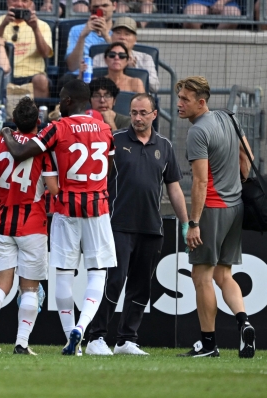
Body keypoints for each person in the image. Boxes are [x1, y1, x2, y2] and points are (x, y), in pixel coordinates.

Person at [0, 79, 116, 356]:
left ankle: (69, 339)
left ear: (66, 101)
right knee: (97, 274)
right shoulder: (105, 129)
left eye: (61, 98)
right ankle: (82, 327)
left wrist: (6, 132)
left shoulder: (57, 128)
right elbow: (109, 171)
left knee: (63, 276)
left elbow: (18, 151)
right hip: (97, 208)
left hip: (66, 209)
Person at [85, 94, 188, 356]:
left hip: (152, 228)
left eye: (143, 113)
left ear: (155, 114)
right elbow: (97, 179)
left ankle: (126, 339)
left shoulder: (164, 146)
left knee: (142, 285)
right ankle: (96, 337)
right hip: (117, 225)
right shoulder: (115, 141)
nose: (138, 118)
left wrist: (187, 224)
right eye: (133, 113)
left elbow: (174, 189)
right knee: (114, 281)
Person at [176, 76, 255, 358]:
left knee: (201, 276)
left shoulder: (198, 132)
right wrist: (235, 183)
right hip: (236, 208)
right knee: (224, 274)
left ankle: (209, 345)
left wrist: (193, 223)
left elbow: (199, 183)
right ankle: (244, 322)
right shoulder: (230, 118)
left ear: (201, 102)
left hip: (211, 209)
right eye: (179, 98)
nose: (179, 104)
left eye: (185, 99)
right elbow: (248, 160)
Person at [0, 97, 59, 355]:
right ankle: (21, 343)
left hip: (2, 221)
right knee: (30, 287)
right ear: (38, 122)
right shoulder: (41, 148)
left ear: (13, 119)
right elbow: (53, 189)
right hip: (32, 223)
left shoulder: (0, 142)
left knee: (1, 283)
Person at [0, 0, 53, 98]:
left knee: (41, 80)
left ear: (31, 4)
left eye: (25, 1)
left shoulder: (42, 26)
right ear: (7, 2)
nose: (19, 4)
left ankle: (38, 113)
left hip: (31, 76)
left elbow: (45, 53)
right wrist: (4, 24)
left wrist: (35, 29)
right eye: (14, 0)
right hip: (3, 74)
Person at [92, 17, 159, 93]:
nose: (122, 37)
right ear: (112, 36)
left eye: (127, 34)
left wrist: (133, 70)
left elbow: (155, 87)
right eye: (118, 33)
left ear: (135, 39)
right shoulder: (98, 57)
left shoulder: (146, 58)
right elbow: (91, 84)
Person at [65, 0, 115, 76]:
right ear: (89, 8)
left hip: (108, 77)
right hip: (80, 77)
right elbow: (72, 66)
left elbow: (122, 59)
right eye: (96, 7)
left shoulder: (119, 32)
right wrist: (82, 36)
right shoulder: (76, 30)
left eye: (105, 6)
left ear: (114, 6)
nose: (100, 9)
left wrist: (106, 36)